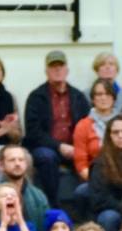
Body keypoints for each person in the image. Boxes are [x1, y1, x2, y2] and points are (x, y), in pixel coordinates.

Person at [23, 50, 89, 204]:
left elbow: (87, 125)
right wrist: (59, 146)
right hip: (46, 147)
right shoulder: (36, 97)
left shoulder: (78, 97)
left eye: (61, 66)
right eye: (53, 67)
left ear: (67, 70)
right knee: (47, 157)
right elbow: (33, 132)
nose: (57, 70)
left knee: (94, 157)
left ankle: (87, 207)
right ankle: (52, 204)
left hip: (75, 147)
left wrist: (77, 148)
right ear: (46, 71)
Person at [0, 145, 49, 231]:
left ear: (26, 163)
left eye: (21, 160)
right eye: (12, 160)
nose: (17, 164)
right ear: (1, 165)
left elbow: (45, 230)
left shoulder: (38, 196)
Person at [72, 79, 118, 184]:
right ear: (93, 99)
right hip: (94, 179)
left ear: (113, 98)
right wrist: (97, 182)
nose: (103, 97)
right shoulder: (83, 126)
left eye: (107, 94)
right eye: (99, 94)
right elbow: (81, 164)